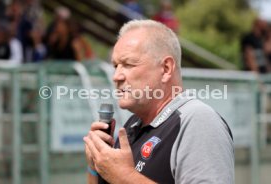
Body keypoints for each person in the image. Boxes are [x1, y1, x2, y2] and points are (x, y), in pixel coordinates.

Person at [83, 20, 234, 184]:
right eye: (115, 66)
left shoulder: (198, 120)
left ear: (166, 69)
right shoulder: (131, 126)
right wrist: (94, 165)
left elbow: (124, 178)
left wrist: (124, 177)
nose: (116, 76)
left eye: (128, 64)